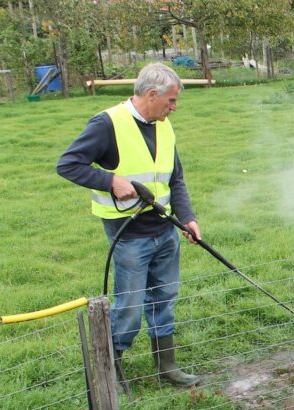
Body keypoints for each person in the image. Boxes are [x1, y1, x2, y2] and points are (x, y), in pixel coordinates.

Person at [57, 62, 200, 388]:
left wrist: (188, 218)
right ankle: (112, 372)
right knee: (130, 307)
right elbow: (68, 164)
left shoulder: (164, 126)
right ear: (152, 94)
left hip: (165, 229)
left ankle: (167, 366)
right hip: (129, 235)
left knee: (164, 299)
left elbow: (175, 177)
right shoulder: (108, 124)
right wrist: (109, 181)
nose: (174, 108)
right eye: (171, 101)